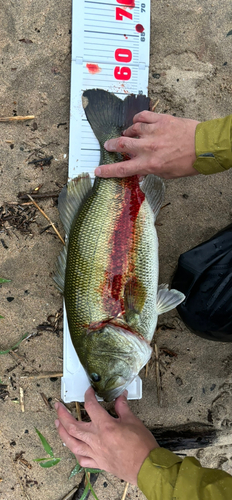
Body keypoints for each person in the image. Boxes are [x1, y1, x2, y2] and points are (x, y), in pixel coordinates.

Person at [55, 111, 232, 499]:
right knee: (204, 308)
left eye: (96, 377)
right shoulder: (121, 322)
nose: (105, 384)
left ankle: (114, 149)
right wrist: (211, 142)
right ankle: (119, 153)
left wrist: (145, 469)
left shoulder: (125, 318)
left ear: (105, 334)